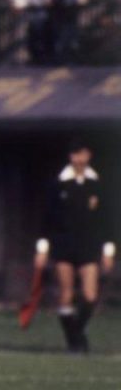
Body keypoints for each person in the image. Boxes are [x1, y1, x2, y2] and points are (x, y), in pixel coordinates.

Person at [34, 142, 115, 353]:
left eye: (85, 153)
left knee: (90, 296)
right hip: (63, 246)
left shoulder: (97, 185)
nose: (82, 158)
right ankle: (75, 342)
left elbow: (107, 220)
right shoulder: (59, 184)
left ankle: (76, 333)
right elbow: (47, 220)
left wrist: (108, 250)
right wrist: (42, 249)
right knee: (66, 294)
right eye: (78, 154)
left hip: (88, 246)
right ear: (71, 156)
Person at [48, 0, 79, 64]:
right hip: (58, 18)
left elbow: (67, 2)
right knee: (58, 41)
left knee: (67, 41)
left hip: (68, 18)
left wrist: (55, 0)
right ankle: (60, 61)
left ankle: (69, 62)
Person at [5, 0, 32, 64]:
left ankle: (23, 59)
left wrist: (20, 7)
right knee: (14, 37)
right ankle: (14, 59)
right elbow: (11, 2)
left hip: (26, 16)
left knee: (23, 36)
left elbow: (27, 1)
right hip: (15, 17)